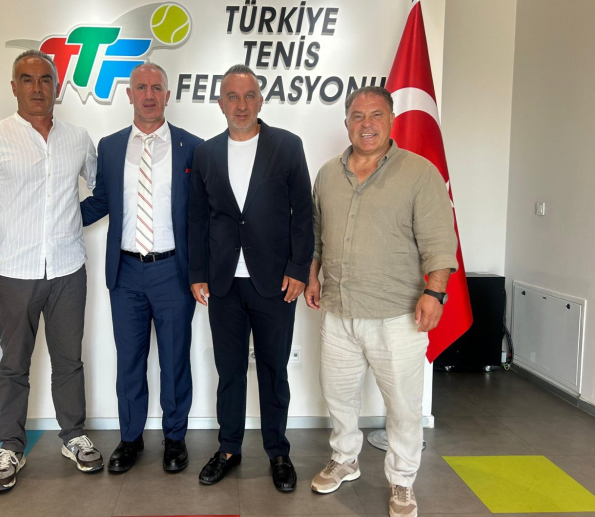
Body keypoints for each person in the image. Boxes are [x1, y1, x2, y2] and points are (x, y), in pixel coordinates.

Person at [306, 86, 457, 517]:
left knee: (404, 407)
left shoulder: (419, 173)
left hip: (398, 314)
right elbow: (316, 235)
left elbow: (439, 241)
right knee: (338, 397)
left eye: (376, 115)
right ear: (347, 123)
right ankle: (345, 459)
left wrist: (435, 292)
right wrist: (313, 275)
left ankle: (403, 480)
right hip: (339, 309)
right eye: (357, 116)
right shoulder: (327, 174)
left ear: (392, 120)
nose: (366, 124)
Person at [0, 50, 103, 492]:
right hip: (14, 272)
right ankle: (10, 447)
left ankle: (73, 436)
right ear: (14, 87)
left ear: (57, 87)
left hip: (67, 269)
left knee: (69, 361)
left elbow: (100, 189)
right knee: (14, 365)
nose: (37, 88)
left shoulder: (78, 138)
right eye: (27, 79)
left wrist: (72, 220)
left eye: (45, 79)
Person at [188, 64, 314, 492]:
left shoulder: (287, 146)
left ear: (260, 100)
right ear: (220, 103)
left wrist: (299, 269)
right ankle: (229, 449)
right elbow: (197, 218)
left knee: (274, 370)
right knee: (229, 372)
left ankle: (278, 452)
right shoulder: (206, 153)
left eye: (249, 96)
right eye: (232, 97)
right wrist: (198, 272)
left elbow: (303, 213)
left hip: (275, 282)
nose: (241, 105)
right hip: (223, 283)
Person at [81, 63, 202, 473]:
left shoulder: (192, 147)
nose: (149, 95)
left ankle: (175, 438)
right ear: (129, 95)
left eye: (156, 87)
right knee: (129, 360)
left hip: (173, 271)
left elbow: (202, 213)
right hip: (126, 271)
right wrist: (53, 218)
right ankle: (130, 439)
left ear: (167, 95)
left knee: (174, 360)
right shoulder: (111, 147)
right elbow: (101, 201)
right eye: (141, 88)